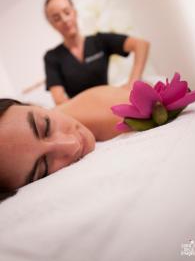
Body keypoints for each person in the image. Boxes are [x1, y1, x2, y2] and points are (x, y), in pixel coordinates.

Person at [0, 84, 131, 197]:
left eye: (46, 125)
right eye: (44, 168)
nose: (72, 144)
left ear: (34, 105)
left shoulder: (108, 106)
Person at [44, 0, 150, 105]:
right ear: (52, 24)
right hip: (82, 114)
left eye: (67, 12)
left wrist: (132, 83)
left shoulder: (99, 41)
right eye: (56, 18)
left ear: (74, 12)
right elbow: (60, 101)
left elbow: (141, 45)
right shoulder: (52, 57)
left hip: (110, 103)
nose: (64, 19)